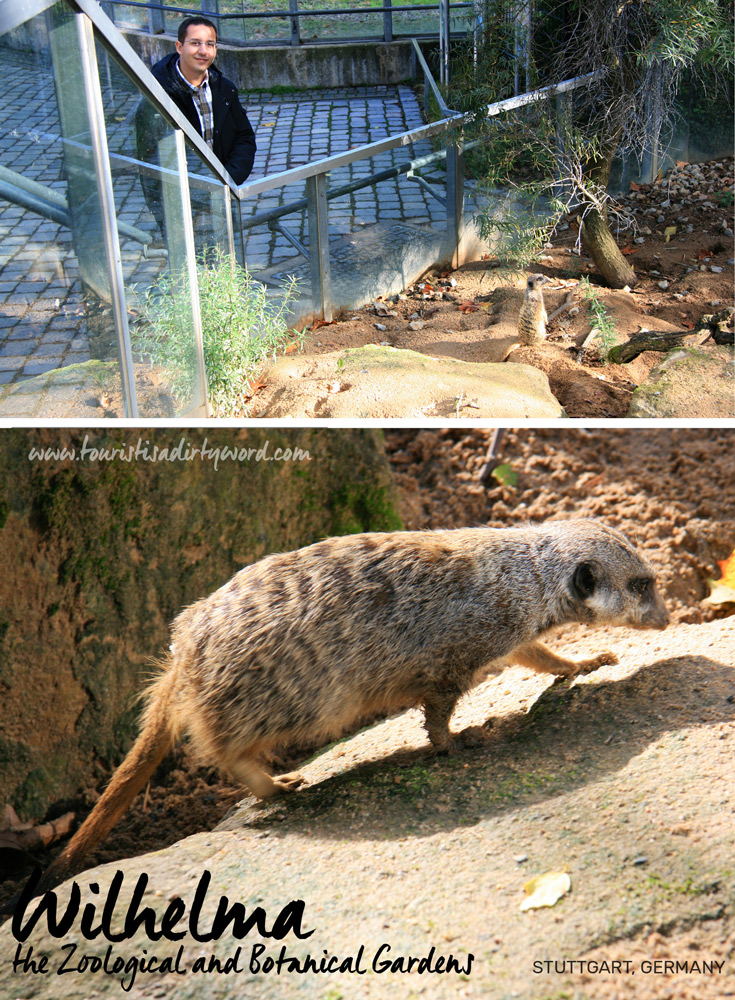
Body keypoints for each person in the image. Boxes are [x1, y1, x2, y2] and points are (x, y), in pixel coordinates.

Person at [136, 16, 256, 233]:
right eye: (195, 43)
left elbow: (244, 137)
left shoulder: (224, 89)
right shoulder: (157, 96)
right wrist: (166, 216)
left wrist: (227, 181)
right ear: (179, 47)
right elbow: (150, 159)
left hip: (221, 196)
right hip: (179, 204)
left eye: (209, 44)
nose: (203, 51)